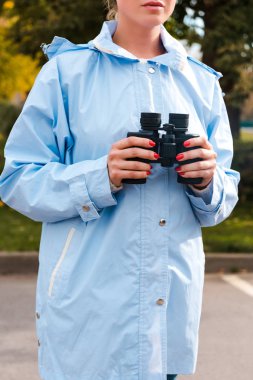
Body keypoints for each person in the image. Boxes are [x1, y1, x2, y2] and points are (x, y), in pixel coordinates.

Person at [0, 1, 239, 379]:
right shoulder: (65, 74)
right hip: (88, 318)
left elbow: (222, 198)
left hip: (168, 318)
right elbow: (17, 180)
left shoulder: (201, 81)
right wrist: (101, 176)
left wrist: (208, 182)